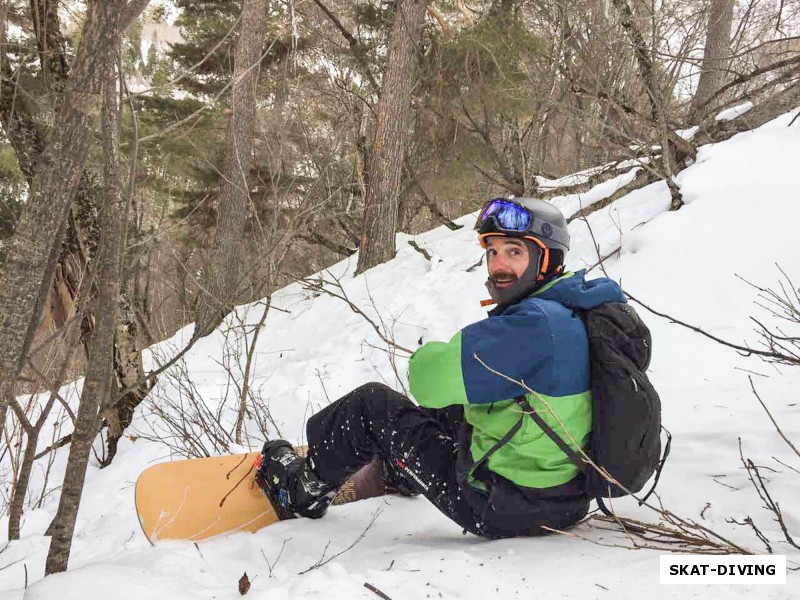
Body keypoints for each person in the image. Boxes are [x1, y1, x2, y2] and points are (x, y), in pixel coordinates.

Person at [255, 196, 627, 538]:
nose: (499, 265)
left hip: (502, 506)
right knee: (456, 406)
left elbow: (427, 380)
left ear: (548, 259)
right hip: (564, 497)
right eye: (493, 251)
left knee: (371, 405)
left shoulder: (534, 324)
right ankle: (396, 472)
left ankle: (300, 491)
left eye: (514, 252)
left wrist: (432, 353)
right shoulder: (577, 311)